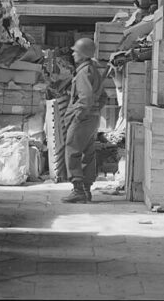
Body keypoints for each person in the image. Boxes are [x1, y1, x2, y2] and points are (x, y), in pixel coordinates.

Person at [62, 37, 105, 203]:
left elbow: (85, 97)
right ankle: (86, 190)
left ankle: (78, 190)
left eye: (75, 51)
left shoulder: (82, 72)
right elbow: (103, 97)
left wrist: (80, 115)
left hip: (83, 118)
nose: (73, 54)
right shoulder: (94, 70)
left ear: (83, 54)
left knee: (72, 150)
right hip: (93, 118)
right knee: (89, 152)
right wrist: (94, 111)